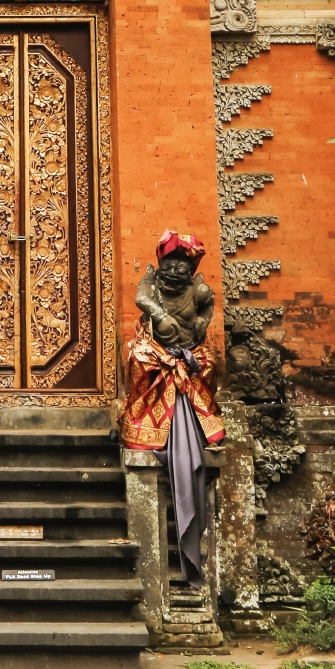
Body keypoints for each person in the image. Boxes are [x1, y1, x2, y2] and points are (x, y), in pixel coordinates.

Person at [120, 231, 223, 583]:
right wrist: (160, 314)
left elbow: (208, 305)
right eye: (170, 265)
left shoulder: (199, 291)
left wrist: (201, 324)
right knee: (138, 356)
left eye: (183, 267)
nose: (175, 272)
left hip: (188, 353)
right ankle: (146, 422)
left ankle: (194, 421)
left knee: (208, 364)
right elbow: (141, 298)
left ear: (191, 271)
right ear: (160, 265)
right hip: (156, 352)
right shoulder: (151, 283)